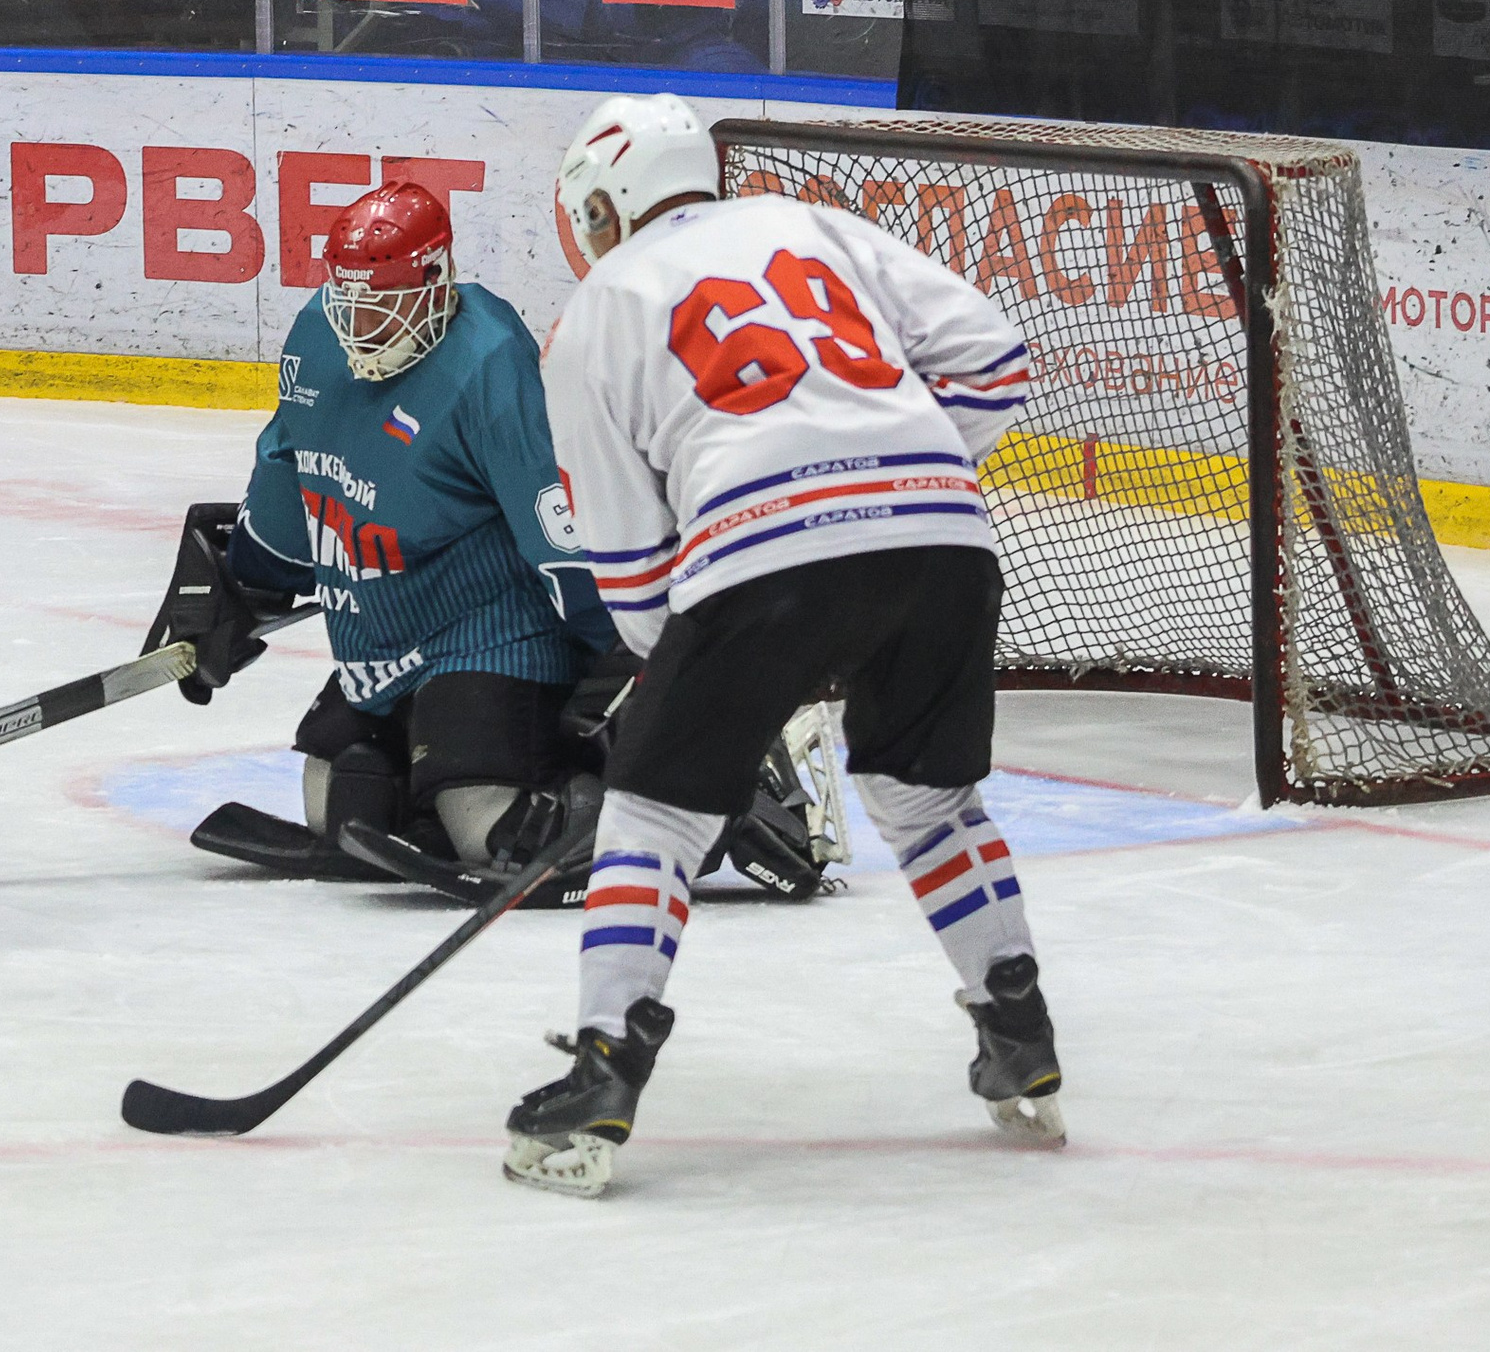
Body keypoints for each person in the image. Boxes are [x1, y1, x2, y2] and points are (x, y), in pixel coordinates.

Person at [502, 92, 1058, 1199]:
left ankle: (606, 1066)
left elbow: (627, 564)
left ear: (605, 205)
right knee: (926, 800)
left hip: (760, 557)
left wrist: (690, 673)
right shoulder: (809, 225)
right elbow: (994, 360)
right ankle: (1018, 1028)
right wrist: (889, 486)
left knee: (654, 814)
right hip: (945, 538)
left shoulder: (595, 311)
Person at [154, 183, 831, 903]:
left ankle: (680, 811)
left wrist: (629, 657)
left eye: (384, 304)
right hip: (381, 642)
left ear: (436, 283)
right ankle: (441, 783)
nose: (363, 325)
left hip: (492, 633)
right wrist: (241, 578)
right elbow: (293, 476)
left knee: (485, 818)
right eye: (349, 301)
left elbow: (558, 530)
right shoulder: (318, 342)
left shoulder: (488, 361)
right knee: (339, 798)